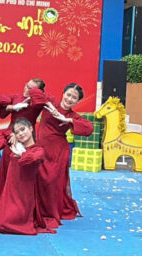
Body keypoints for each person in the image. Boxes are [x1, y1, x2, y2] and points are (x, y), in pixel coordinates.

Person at [36, 83, 93, 228]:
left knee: (52, 181)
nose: (69, 99)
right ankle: (38, 208)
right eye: (68, 95)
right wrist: (50, 106)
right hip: (41, 148)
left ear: (77, 101)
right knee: (38, 179)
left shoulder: (72, 116)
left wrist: (67, 120)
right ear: (63, 93)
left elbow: (89, 128)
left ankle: (50, 210)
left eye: (74, 98)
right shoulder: (51, 102)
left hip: (58, 152)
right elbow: (35, 93)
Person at [0, 118, 54, 235]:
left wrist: (21, 154)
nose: (20, 133)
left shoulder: (38, 150)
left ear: (31, 128)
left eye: (23, 129)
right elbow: (0, 133)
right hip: (9, 193)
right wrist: (10, 134)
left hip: (24, 196)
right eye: (17, 132)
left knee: (3, 224)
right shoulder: (15, 145)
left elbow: (35, 157)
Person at [0, 78, 51, 199]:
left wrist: (33, 96)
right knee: (8, 166)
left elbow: (47, 100)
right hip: (11, 135)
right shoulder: (16, 97)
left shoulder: (37, 103)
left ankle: (25, 199)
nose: (26, 89)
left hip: (28, 139)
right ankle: (4, 198)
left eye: (31, 89)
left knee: (27, 169)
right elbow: (2, 110)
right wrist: (14, 107)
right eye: (26, 86)